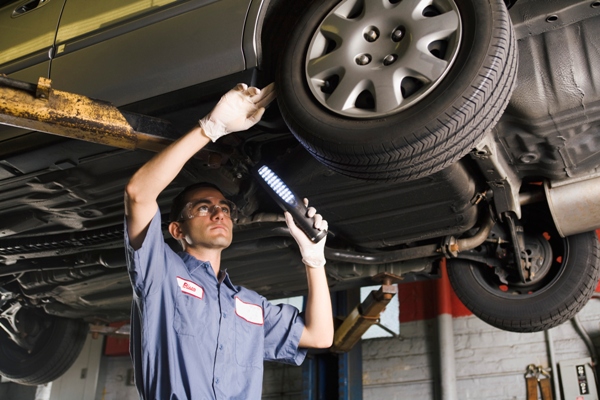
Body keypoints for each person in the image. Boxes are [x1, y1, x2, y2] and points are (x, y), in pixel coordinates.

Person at [123, 83, 334, 399]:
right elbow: (138, 194)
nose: (219, 213)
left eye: (224, 207)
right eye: (203, 207)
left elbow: (320, 336)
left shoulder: (248, 305)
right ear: (177, 230)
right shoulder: (162, 274)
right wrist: (211, 128)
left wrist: (314, 259)